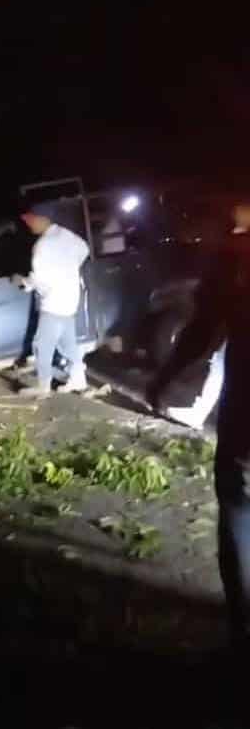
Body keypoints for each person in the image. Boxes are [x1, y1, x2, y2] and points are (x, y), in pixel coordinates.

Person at [151, 197, 250, 653]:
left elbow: (202, 330)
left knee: (238, 513)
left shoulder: (233, 261)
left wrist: (166, 376)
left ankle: (242, 632)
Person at [13, 202, 90, 396]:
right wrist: (68, 268)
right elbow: (85, 250)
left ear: (42, 219)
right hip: (70, 300)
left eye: (31, 220)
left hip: (53, 303)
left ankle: (43, 386)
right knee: (67, 344)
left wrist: (23, 282)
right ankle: (78, 380)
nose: (29, 224)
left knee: (42, 345)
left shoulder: (42, 246)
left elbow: (40, 281)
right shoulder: (67, 236)